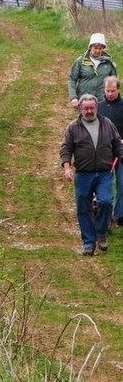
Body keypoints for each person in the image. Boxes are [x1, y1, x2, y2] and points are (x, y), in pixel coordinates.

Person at [60, 93, 123, 256]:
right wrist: (67, 167)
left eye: (92, 108)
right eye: (86, 108)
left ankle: (101, 233)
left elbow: (117, 143)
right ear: (80, 108)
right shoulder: (73, 127)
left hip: (104, 173)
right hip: (83, 174)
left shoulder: (107, 124)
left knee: (106, 202)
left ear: (96, 108)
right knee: (83, 207)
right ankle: (88, 242)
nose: (89, 111)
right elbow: (66, 148)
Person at [97, 76, 123, 226]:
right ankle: (103, 215)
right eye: (107, 91)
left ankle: (119, 216)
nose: (110, 94)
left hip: (121, 151)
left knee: (121, 183)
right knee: (104, 185)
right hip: (103, 152)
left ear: (118, 90)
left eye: (113, 91)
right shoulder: (98, 107)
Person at [68, 33, 117, 110]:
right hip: (85, 101)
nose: (97, 51)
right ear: (90, 47)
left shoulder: (108, 63)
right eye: (95, 48)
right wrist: (73, 97)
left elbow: (114, 83)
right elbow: (72, 79)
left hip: (103, 102)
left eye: (100, 48)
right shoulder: (81, 61)